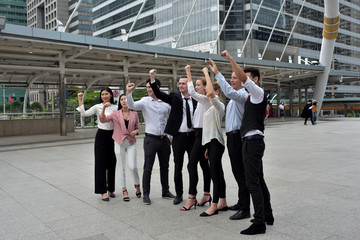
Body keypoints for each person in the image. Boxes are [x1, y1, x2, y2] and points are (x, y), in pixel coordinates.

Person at [221, 50, 273, 235]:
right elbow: (231, 91)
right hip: (252, 141)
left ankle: (259, 222)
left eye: (246, 79)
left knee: (252, 182)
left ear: (255, 80)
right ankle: (268, 214)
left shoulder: (258, 93)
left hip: (253, 141)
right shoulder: (250, 97)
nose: (242, 81)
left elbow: (243, 79)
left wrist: (230, 59)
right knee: (258, 180)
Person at [208, 58, 250, 221]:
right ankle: (241, 202)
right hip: (232, 137)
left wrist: (217, 73)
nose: (232, 80)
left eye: (234, 78)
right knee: (237, 171)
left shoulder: (241, 94)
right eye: (230, 78)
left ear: (242, 80)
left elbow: (228, 91)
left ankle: (245, 208)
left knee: (241, 173)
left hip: (238, 137)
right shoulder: (234, 99)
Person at [126, 74, 175, 205]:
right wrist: (128, 93)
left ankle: (165, 191)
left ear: (157, 87)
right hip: (151, 140)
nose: (148, 89)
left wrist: (170, 136)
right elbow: (131, 105)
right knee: (148, 167)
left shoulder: (166, 102)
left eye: (150, 87)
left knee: (165, 167)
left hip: (164, 139)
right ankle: (146, 194)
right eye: (147, 87)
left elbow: (171, 120)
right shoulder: (145, 101)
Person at [150, 70, 197, 205]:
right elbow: (158, 94)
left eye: (184, 83)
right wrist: (152, 78)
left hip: (193, 136)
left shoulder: (195, 99)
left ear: (189, 85)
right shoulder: (174, 97)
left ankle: (192, 194)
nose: (181, 85)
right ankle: (179, 194)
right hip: (179, 137)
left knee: (192, 166)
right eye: (180, 83)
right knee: (178, 166)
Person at [76, 88, 117, 202]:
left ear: (111, 95)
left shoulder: (115, 107)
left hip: (112, 136)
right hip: (101, 136)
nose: (104, 96)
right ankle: (102, 191)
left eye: (106, 94)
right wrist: (80, 99)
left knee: (112, 162)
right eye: (102, 94)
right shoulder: (97, 106)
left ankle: (111, 189)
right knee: (100, 163)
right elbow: (84, 114)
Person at [180, 64, 211, 211]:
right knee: (204, 166)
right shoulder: (202, 101)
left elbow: (190, 91)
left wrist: (188, 71)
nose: (196, 87)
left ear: (206, 87)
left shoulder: (205, 99)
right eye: (196, 85)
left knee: (191, 164)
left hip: (202, 134)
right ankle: (206, 194)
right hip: (198, 134)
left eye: (199, 85)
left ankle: (192, 197)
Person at [99, 94, 141, 202]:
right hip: (119, 142)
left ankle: (137, 184)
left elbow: (137, 128)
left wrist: (135, 131)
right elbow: (103, 119)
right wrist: (104, 107)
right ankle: (124, 189)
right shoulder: (115, 114)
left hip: (131, 142)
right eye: (121, 99)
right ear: (120, 102)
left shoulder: (135, 114)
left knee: (132, 166)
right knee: (121, 166)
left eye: (125, 99)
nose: (123, 101)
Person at [199, 67, 227, 217]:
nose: (206, 94)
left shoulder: (219, 106)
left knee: (215, 174)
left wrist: (206, 74)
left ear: (217, 92)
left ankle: (214, 205)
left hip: (217, 142)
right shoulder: (211, 109)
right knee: (219, 174)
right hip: (212, 143)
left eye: (209, 91)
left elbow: (210, 92)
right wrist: (207, 147)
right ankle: (223, 201)